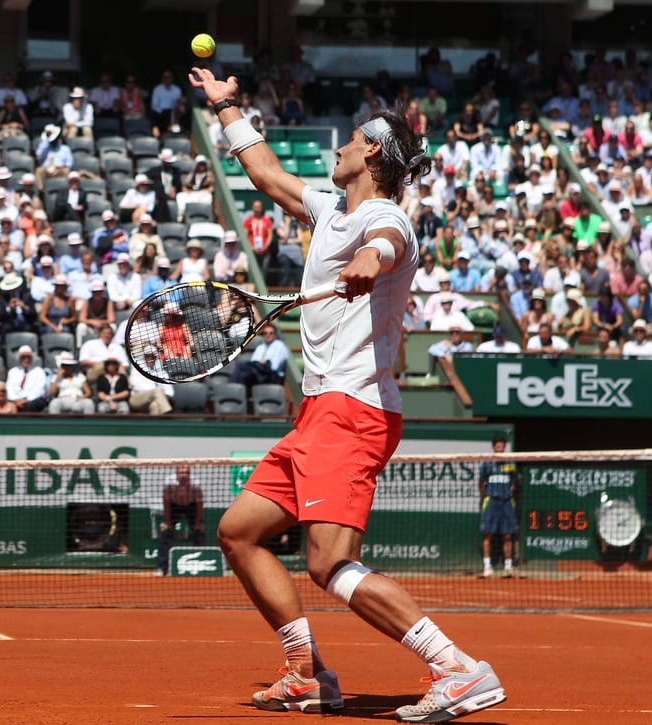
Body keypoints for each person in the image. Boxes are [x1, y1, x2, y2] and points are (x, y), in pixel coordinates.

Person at [189, 66, 504, 721]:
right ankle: (305, 673)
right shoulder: (329, 206)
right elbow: (269, 176)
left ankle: (458, 668)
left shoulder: (390, 218)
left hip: (354, 410)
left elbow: (388, 243)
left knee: (330, 562)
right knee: (240, 531)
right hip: (315, 412)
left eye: (349, 139)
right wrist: (226, 108)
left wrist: (373, 259)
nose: (335, 147)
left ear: (371, 152)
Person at [478, 435, 518, 579]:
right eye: (497, 445)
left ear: (504, 446)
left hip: (506, 501)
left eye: (501, 445)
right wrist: (486, 496)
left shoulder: (511, 463)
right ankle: (487, 566)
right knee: (487, 533)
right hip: (491, 501)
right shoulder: (487, 463)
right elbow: (481, 482)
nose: (499, 447)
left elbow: (514, 481)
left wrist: (509, 492)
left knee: (508, 535)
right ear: (494, 447)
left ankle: (508, 566)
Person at [156, 465, 206, 575]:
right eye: (181, 473)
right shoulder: (169, 482)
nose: (184, 475)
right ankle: (161, 568)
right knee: (165, 532)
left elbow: (199, 503)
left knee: (200, 531)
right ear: (177, 473)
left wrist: (197, 523)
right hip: (174, 506)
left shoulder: (195, 483)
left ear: (189, 474)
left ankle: (202, 566)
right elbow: (166, 501)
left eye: (186, 473)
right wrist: (168, 522)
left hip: (191, 506)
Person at [229, 323, 288, 392]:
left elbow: (275, 366)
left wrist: (264, 362)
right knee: (244, 373)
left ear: (275, 335)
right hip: (259, 372)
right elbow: (254, 361)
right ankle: (234, 392)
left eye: (271, 333)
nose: (268, 335)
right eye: (265, 333)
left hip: (271, 375)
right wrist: (262, 362)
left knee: (243, 367)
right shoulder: (261, 347)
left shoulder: (279, 345)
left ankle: (232, 389)